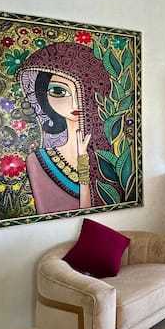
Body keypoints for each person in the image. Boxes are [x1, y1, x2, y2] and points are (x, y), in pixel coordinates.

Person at [19, 41, 117, 214]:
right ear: (43, 97)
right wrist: (83, 163)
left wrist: (83, 160)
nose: (75, 104)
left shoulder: (113, 155)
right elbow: (57, 217)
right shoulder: (37, 161)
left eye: (84, 91)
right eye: (59, 92)